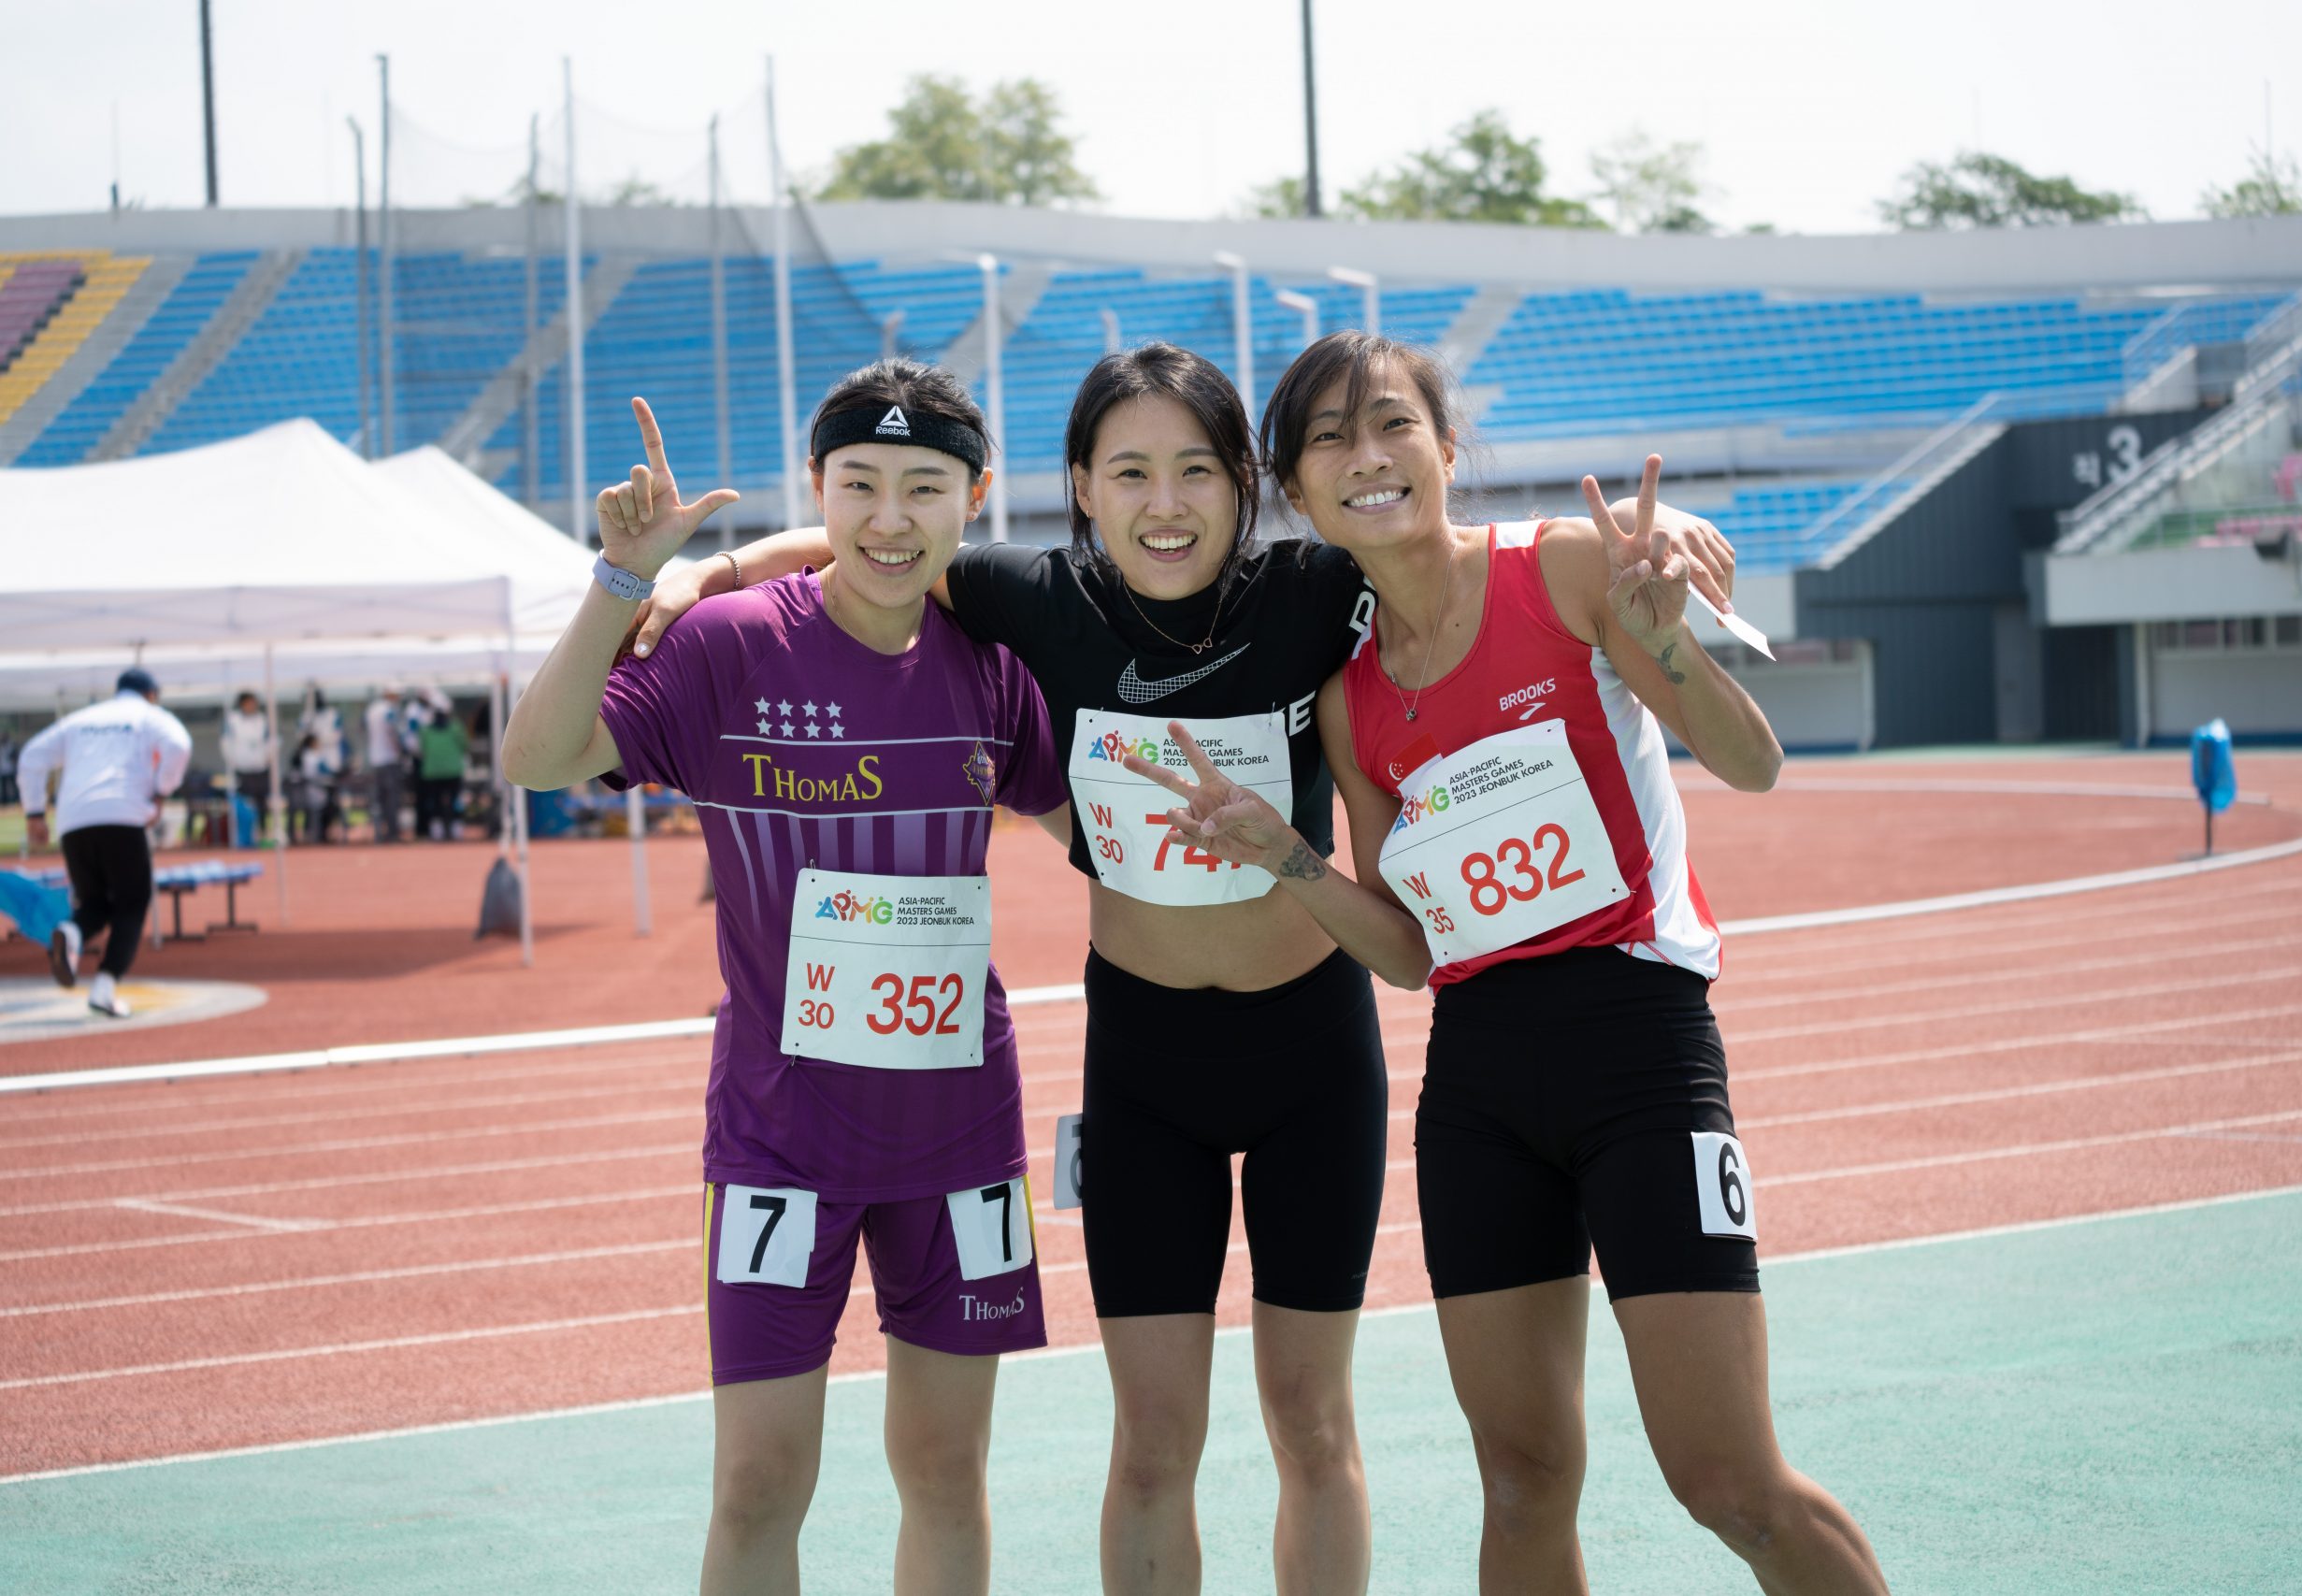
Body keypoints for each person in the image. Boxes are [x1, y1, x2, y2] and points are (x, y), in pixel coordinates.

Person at [633, 344, 1735, 1596]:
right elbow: (878, 541)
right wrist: (714, 570)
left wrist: (1660, 524)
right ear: (1081, 488)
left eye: (1197, 470)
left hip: (1315, 1057)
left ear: (1246, 483)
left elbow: (1451, 538)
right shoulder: (1025, 595)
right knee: (1154, 1440)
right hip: (1144, 1067)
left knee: (1311, 1423)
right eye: (1130, 472)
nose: (1165, 502)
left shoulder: (1317, 589)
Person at [1119, 331, 1886, 1594]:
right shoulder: (1351, 698)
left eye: (1392, 424)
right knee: (1523, 1481)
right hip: (1477, 1087)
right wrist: (1290, 860)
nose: (1366, 457)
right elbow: (1409, 953)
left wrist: (1669, 644)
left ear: (1444, 446)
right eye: (1329, 439)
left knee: (1727, 1479)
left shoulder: (1564, 568)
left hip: (1639, 1048)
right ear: (1294, 487)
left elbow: (1752, 765)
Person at [502, 365, 1070, 1596]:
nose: (889, 517)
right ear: (818, 484)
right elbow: (536, 756)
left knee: (946, 1471)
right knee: (757, 1483)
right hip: (777, 1140)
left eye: (924, 488)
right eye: (858, 485)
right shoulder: (729, 645)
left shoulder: (996, 651)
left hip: (964, 1137)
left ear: (974, 498)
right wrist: (626, 576)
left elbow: (1096, 833)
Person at [21, 668, 194, 1019]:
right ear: (151, 695)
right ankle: (104, 986)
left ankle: (71, 931)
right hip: (124, 815)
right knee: (132, 903)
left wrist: (35, 812)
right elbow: (179, 745)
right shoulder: (149, 716)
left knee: (95, 903)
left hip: (73, 821)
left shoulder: (80, 719)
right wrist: (161, 792)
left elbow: (31, 758)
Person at [414, 705, 468, 840]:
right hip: (453, 771)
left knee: (434, 801)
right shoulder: (456, 728)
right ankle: (456, 829)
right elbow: (465, 746)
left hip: (432, 772)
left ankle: (437, 831)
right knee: (455, 800)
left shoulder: (425, 731)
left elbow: (421, 750)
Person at [220, 690, 273, 824]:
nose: (252, 706)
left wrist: (267, 758)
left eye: (254, 703)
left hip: (260, 767)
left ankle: (262, 828)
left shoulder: (262, 720)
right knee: (243, 802)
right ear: (242, 704)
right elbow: (225, 743)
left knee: (261, 802)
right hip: (241, 768)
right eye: (249, 703)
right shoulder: (233, 720)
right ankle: (245, 831)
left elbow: (270, 741)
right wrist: (233, 762)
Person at [365, 684, 408, 841]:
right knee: (392, 799)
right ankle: (392, 833)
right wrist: (401, 750)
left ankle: (379, 832)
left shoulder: (372, 710)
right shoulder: (390, 710)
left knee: (379, 799)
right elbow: (393, 733)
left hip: (375, 759)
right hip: (389, 759)